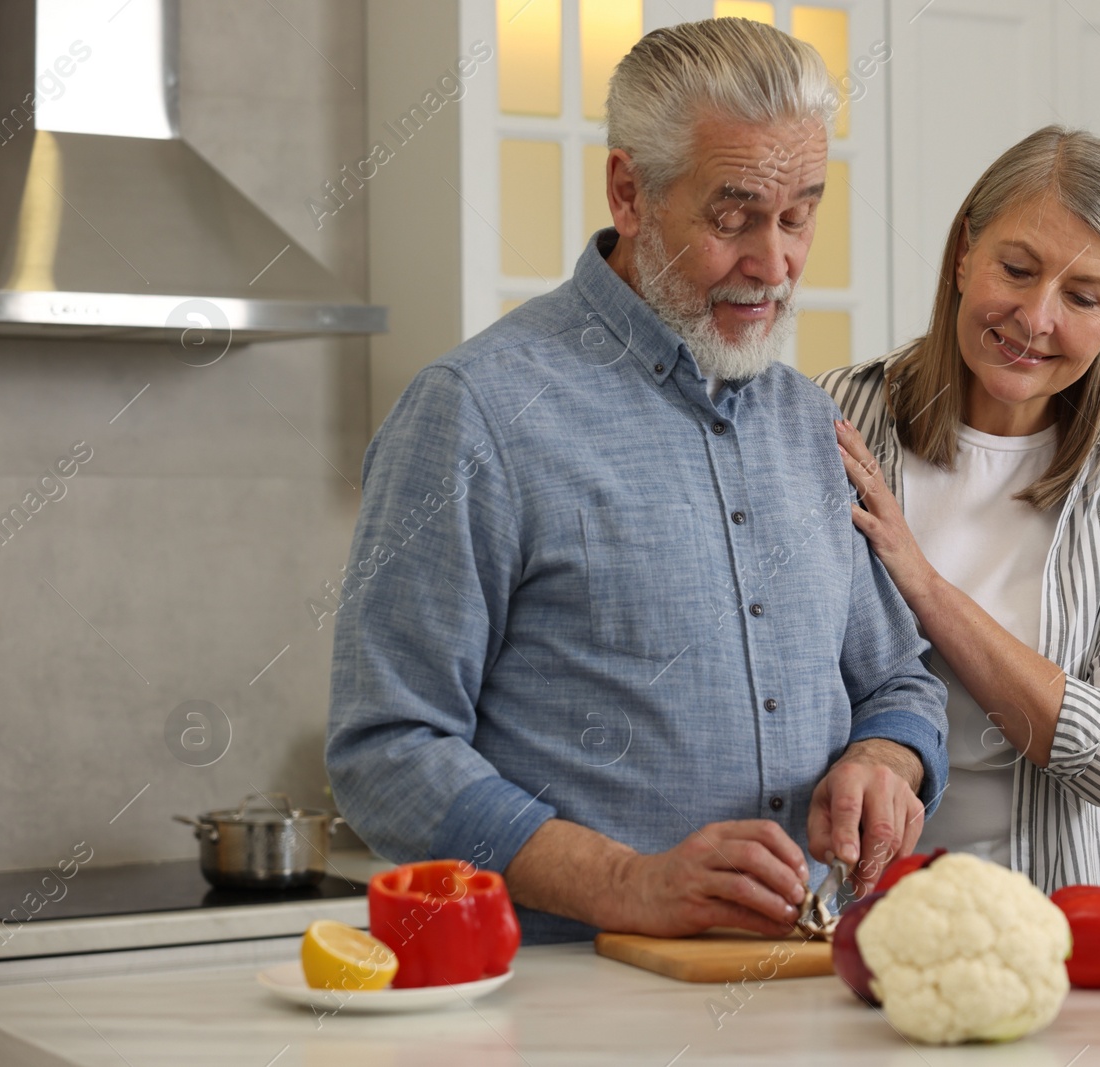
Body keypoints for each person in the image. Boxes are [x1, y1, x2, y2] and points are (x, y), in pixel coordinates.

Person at [326, 18, 947, 944]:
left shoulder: (806, 421)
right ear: (631, 191)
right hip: (572, 1003)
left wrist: (884, 760)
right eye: (733, 217)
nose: (775, 264)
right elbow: (386, 750)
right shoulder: (474, 411)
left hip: (810, 985)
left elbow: (898, 677)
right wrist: (626, 882)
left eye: (799, 213)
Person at [817, 126, 1100, 890]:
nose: (1035, 318)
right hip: (846, 911)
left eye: (1084, 297)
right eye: (1016, 270)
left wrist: (922, 583)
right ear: (964, 252)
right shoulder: (832, 418)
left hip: (1058, 920)